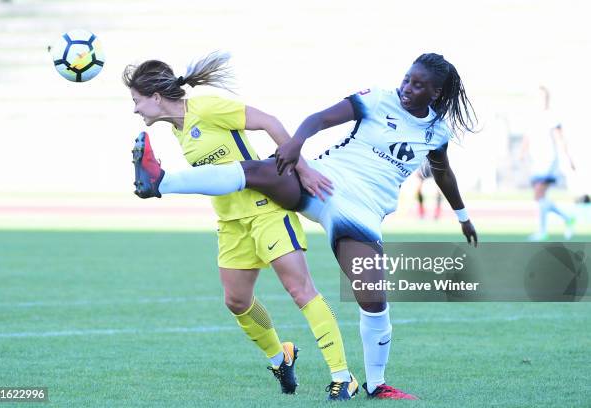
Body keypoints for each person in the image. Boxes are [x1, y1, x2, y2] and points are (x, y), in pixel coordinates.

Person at [134, 52, 478, 400]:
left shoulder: (436, 133)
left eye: (418, 85)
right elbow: (320, 119)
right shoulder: (378, 99)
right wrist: (297, 145)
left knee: (372, 298)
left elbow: (443, 173)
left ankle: (375, 384)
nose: (406, 88)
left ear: (435, 93)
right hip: (323, 182)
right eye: (406, 79)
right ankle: (161, 182)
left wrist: (463, 217)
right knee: (257, 171)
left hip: (361, 211)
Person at [124, 52, 355, 400]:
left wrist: (302, 167)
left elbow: (271, 122)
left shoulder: (206, 108)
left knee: (300, 290)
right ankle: (282, 357)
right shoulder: (178, 130)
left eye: (137, 101)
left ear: (156, 97)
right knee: (236, 300)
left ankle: (343, 376)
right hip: (230, 223)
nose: (135, 109)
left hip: (266, 211)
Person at [520, 86, 576, 241]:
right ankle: (567, 218)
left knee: (539, 193)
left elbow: (560, 139)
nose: (541, 100)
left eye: (543, 97)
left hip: (549, 161)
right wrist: (522, 152)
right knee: (540, 197)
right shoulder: (532, 117)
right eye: (538, 97)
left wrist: (569, 158)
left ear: (547, 99)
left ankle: (542, 231)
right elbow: (528, 136)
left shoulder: (551, 116)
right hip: (536, 161)